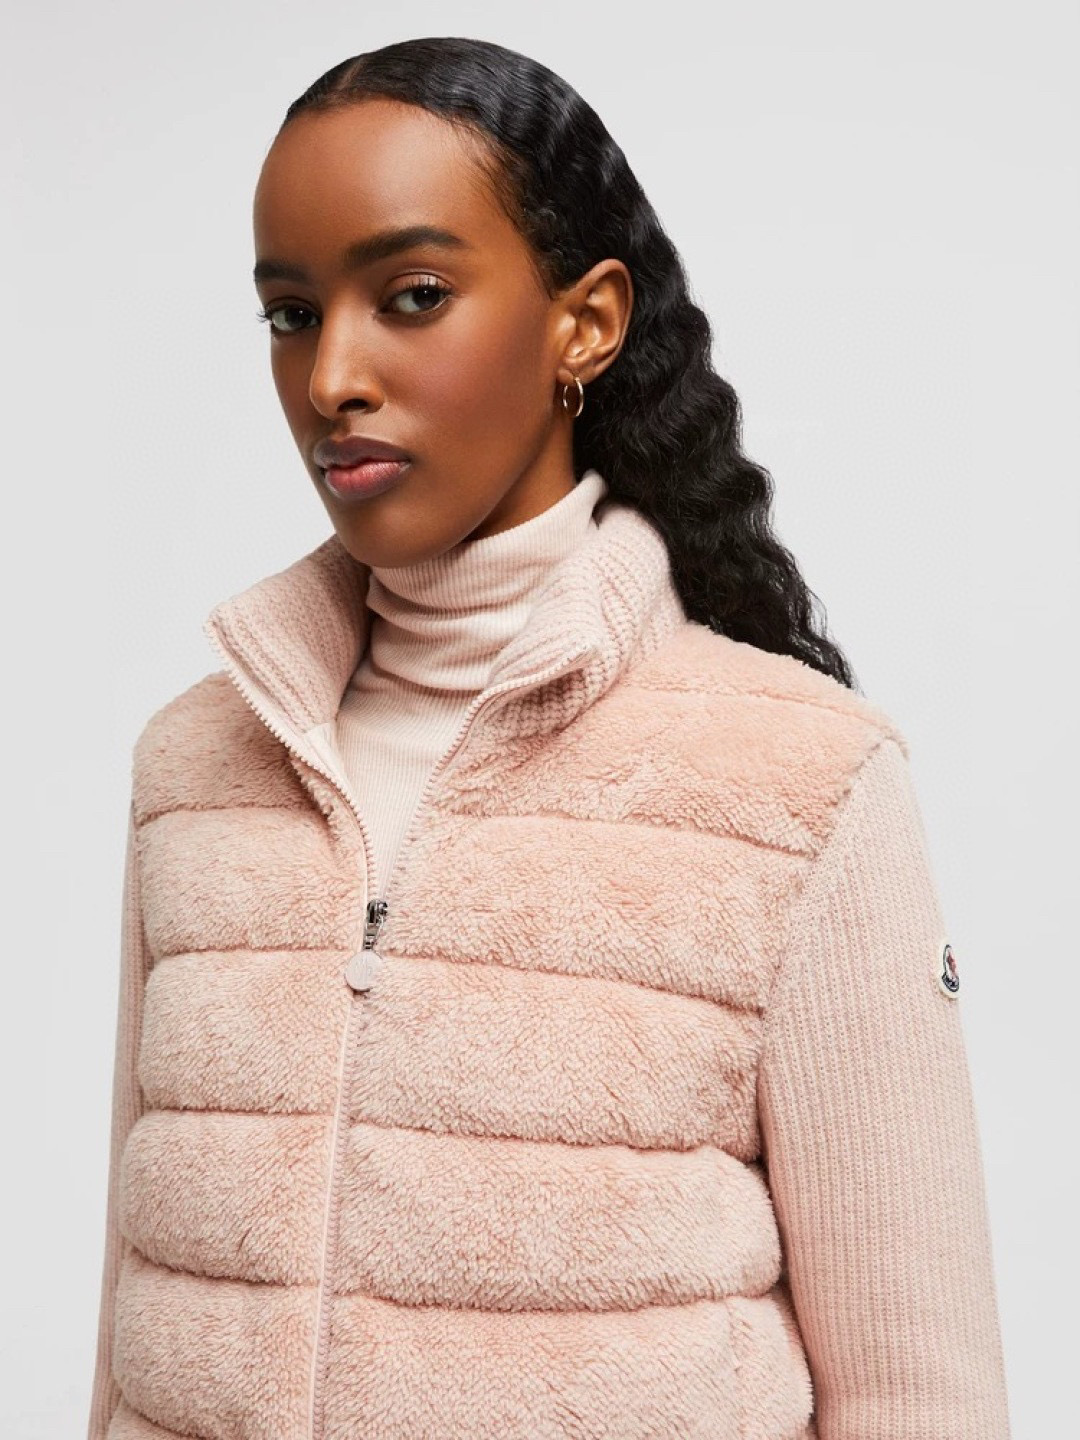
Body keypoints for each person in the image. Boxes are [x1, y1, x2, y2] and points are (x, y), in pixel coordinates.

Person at [87, 35, 1011, 1440]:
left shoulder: (802, 785)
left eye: (412, 296)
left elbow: (916, 1396)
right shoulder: (194, 767)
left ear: (585, 324)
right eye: (290, 313)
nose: (331, 375)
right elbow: (136, 1332)